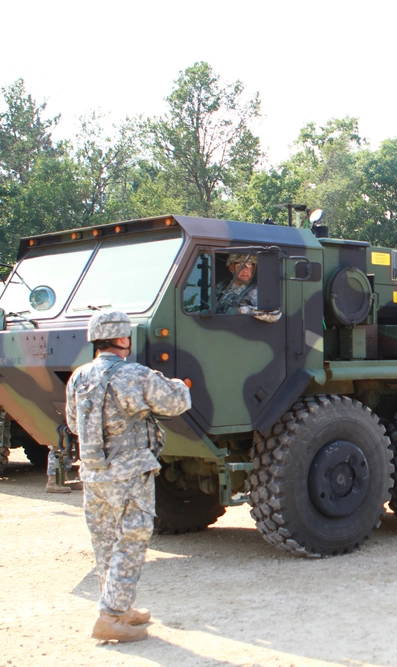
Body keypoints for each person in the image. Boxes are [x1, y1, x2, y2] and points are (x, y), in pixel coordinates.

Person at [65, 311, 191, 643]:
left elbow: (72, 422)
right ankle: (109, 617)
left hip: (93, 474)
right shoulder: (133, 374)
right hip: (130, 474)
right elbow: (177, 402)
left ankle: (118, 607)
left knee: (105, 542)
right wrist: (179, 383)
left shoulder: (79, 377)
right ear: (123, 340)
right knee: (131, 541)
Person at [215, 254, 281, 323]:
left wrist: (247, 310)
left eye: (250, 267)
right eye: (241, 266)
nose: (246, 271)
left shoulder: (257, 290)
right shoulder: (222, 286)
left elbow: (276, 315)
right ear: (231, 268)